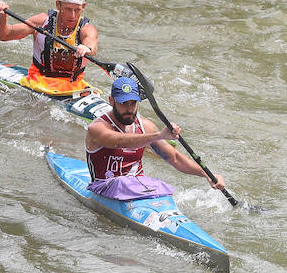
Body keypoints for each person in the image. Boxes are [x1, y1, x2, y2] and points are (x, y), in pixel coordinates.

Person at [84, 76, 224, 199]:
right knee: (123, 182)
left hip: (139, 186)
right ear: (111, 101)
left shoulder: (146, 126)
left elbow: (174, 157)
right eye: (123, 103)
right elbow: (120, 141)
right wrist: (159, 135)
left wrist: (207, 174)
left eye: (133, 103)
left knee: (161, 185)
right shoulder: (97, 127)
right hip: (104, 187)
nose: (129, 109)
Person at [0, 0, 98, 96]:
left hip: (73, 86)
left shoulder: (87, 29)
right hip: (38, 81)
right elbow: (4, 35)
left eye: (77, 10)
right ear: (58, 5)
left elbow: (91, 41)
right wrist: (2, 18)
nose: (72, 15)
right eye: (68, 9)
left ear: (83, 7)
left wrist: (86, 48)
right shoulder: (42, 22)